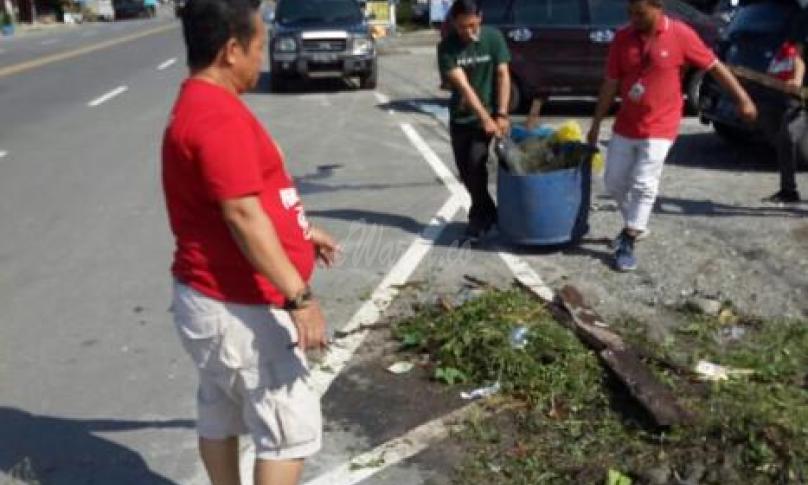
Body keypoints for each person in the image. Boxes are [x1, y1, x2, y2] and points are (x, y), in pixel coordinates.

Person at [161, 0, 339, 483]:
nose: (262, 59)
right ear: (231, 50)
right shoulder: (216, 117)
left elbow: (250, 199)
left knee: (219, 408)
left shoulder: (203, 103)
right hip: (239, 304)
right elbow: (241, 214)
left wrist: (303, 230)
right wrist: (300, 299)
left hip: (211, 299)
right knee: (288, 426)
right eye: (259, 47)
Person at [587, 0, 757, 272]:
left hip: (662, 124)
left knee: (644, 182)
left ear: (658, 8)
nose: (634, 19)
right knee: (614, 181)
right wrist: (595, 124)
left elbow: (715, 67)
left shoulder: (681, 34)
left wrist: (743, 99)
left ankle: (629, 237)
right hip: (627, 123)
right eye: (629, 13)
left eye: (640, 14)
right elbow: (610, 82)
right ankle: (637, 224)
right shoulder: (622, 37)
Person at [438, 0, 511, 242]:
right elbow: (464, 88)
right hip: (462, 117)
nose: (468, 32)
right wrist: (484, 118)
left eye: (471, 25)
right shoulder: (447, 48)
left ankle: (479, 216)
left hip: (489, 114)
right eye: (461, 27)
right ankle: (488, 212)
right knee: (466, 172)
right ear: (453, 24)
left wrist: (500, 114)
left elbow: (503, 74)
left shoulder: (493, 38)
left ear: (480, 17)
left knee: (476, 162)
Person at [765, 10, 808, 204]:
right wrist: (797, 79)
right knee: (788, 136)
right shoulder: (805, 16)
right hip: (802, 92)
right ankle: (788, 190)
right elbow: (798, 52)